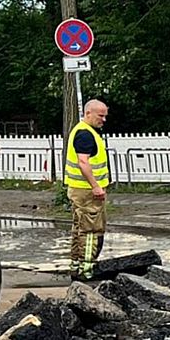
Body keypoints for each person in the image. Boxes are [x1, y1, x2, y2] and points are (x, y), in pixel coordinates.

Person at [65, 99, 112, 279]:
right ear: (88, 113)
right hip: (87, 191)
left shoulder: (83, 131)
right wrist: (96, 186)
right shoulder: (85, 134)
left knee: (79, 227)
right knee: (91, 229)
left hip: (79, 189)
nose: (103, 120)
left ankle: (76, 265)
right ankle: (87, 269)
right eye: (100, 116)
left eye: (105, 116)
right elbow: (83, 162)